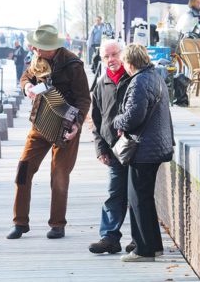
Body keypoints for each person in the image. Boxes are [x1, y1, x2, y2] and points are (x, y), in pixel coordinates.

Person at [6, 24, 91, 240]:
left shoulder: (73, 64)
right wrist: (26, 87)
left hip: (65, 128)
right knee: (23, 169)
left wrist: (77, 124)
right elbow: (25, 77)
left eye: (39, 47)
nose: (35, 50)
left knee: (59, 176)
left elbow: (83, 98)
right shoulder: (37, 61)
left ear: (52, 48)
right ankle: (20, 222)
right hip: (40, 124)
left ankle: (57, 225)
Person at [113, 44, 174, 262]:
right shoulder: (155, 76)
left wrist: (116, 121)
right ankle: (154, 245)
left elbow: (133, 117)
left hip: (143, 149)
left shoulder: (138, 82)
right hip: (156, 145)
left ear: (129, 64)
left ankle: (144, 250)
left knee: (137, 198)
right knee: (145, 198)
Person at [88, 40, 130, 254]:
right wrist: (100, 148)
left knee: (137, 196)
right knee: (114, 194)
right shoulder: (101, 83)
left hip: (135, 147)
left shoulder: (132, 78)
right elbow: (95, 120)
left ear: (122, 54)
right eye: (107, 56)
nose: (111, 59)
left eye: (115, 54)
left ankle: (140, 240)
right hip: (113, 149)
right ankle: (109, 237)